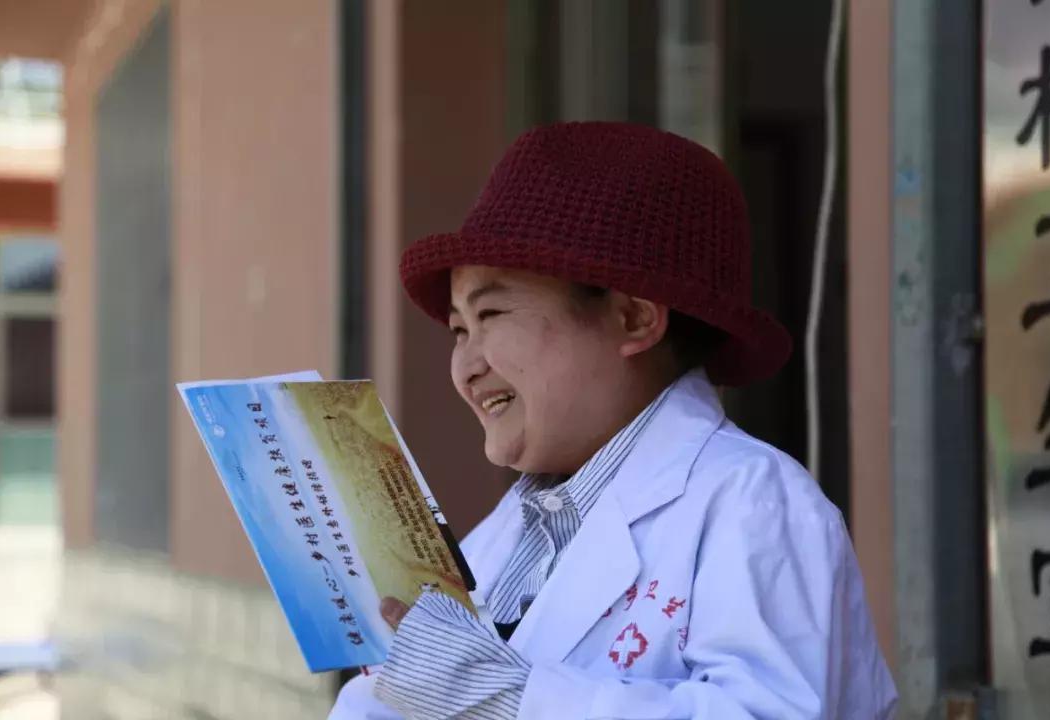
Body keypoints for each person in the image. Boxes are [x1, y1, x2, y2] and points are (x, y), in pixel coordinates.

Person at [329, 121, 897, 719]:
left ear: (632, 318)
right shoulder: (506, 534)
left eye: (491, 314)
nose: (466, 367)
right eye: (458, 330)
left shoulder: (755, 502)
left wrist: (502, 696)